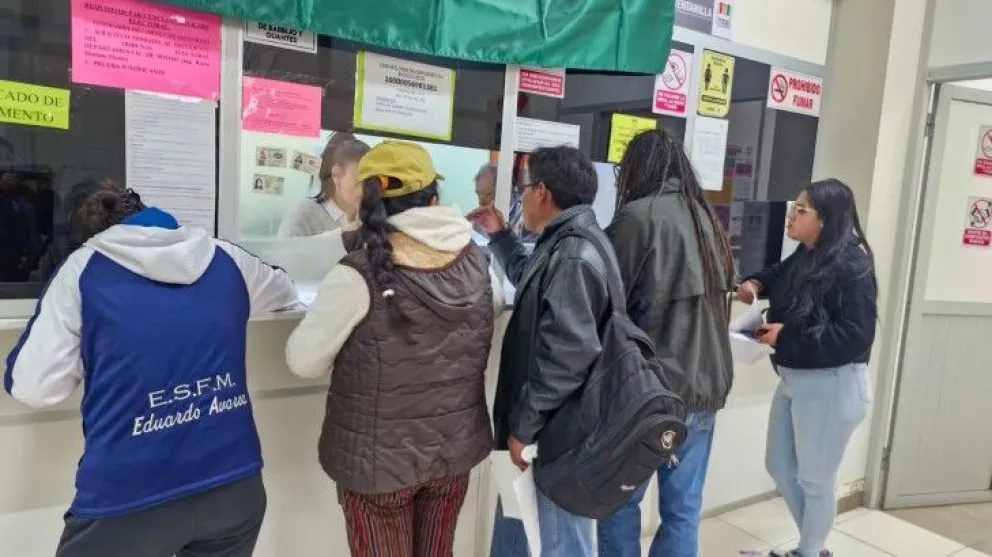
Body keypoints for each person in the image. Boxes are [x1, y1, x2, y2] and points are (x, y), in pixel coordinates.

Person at [4, 180, 299, 557]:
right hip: (234, 487)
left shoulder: (84, 269)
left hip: (128, 499)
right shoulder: (226, 257)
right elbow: (285, 291)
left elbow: (34, 386)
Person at [285, 140, 503, 557]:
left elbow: (302, 361)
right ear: (435, 199)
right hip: (452, 457)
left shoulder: (357, 275)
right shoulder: (480, 264)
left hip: (377, 466)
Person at [597, 129, 736, 557]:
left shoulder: (638, 218)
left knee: (619, 504)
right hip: (705, 389)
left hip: (650, 393)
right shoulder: (705, 217)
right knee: (683, 510)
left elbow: (602, 296)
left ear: (635, 170)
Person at [472, 146, 612, 557]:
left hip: (554, 435)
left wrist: (526, 427)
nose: (521, 197)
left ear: (543, 193)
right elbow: (530, 279)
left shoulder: (573, 254)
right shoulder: (565, 242)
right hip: (548, 429)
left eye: (525, 188)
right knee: (526, 532)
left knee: (558, 542)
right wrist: (501, 236)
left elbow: (566, 356)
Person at [737, 179, 877, 557]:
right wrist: (754, 283)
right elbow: (779, 274)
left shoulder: (851, 264)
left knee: (816, 481)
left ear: (826, 220)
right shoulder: (809, 252)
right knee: (779, 465)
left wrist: (787, 338)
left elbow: (856, 336)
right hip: (795, 379)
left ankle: (809, 551)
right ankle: (814, 549)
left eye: (801, 210)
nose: (791, 216)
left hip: (832, 386)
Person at [278, 132, 371, 237]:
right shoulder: (304, 214)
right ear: (337, 175)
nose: (368, 188)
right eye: (360, 180)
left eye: (372, 180)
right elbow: (282, 252)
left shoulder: (369, 217)